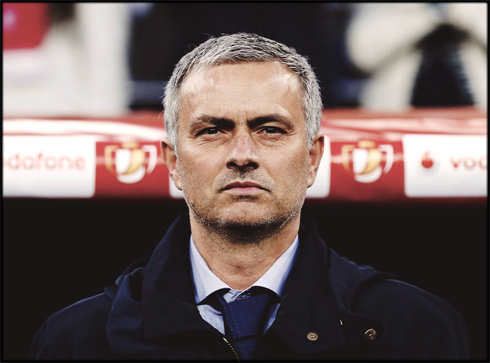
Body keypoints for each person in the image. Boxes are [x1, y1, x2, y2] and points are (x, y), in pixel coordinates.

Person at [30, 33, 470, 360]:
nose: (243, 155)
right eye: (213, 130)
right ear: (173, 164)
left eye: (270, 129)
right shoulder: (73, 342)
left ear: (313, 158)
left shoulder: (418, 333)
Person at [346, 3, 487, 110]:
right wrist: (427, 12)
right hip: (396, 123)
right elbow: (359, 55)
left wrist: (458, 9)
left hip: (475, 124)